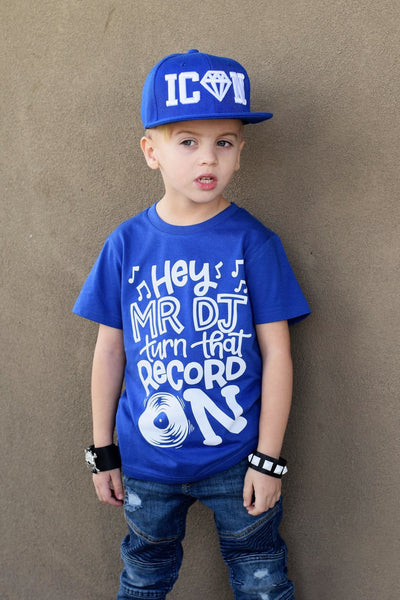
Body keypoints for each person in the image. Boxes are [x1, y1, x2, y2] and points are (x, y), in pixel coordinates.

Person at [73, 49, 310, 600]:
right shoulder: (126, 245)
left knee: (261, 575)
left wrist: (268, 461)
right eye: (187, 141)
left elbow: (278, 354)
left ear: (240, 152)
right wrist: (102, 450)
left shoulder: (254, 242)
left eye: (224, 142)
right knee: (143, 577)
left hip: (237, 461)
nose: (208, 158)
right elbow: (109, 352)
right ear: (150, 151)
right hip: (146, 463)